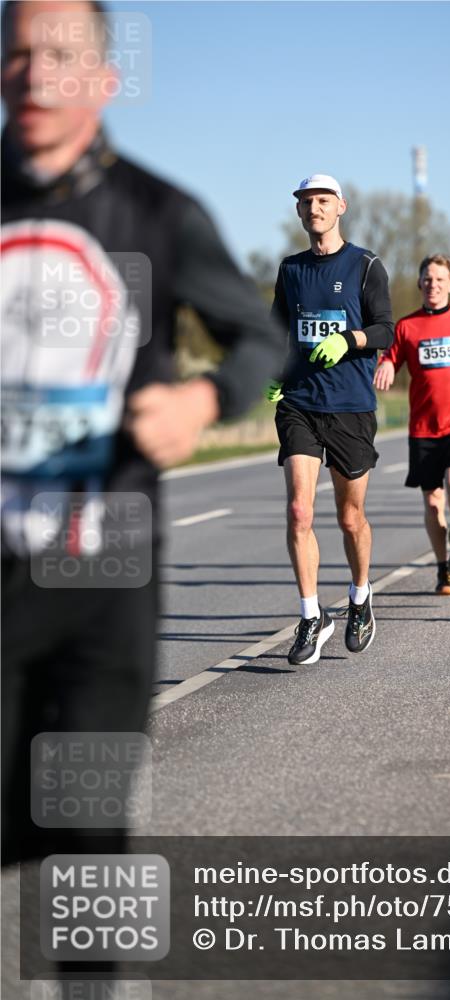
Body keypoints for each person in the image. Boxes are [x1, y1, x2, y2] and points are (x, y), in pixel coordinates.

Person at [1, 0, 285, 864]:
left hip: (103, 574)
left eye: (61, 54)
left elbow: (261, 337)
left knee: (86, 830)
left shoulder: (160, 213)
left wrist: (201, 403)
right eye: (17, 55)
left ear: (105, 78)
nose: (37, 75)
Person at [267, 174, 393, 664]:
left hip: (350, 406)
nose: (313, 209)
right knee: (300, 511)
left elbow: (386, 328)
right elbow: (279, 330)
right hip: (299, 402)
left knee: (349, 517)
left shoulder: (365, 265)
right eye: (305, 202)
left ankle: (361, 599)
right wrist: (271, 371)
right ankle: (310, 615)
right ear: (298, 212)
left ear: (340, 206)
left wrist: (349, 340)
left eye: (322, 201)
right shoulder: (290, 269)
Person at [374, 254, 450, 596]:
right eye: (427, 279)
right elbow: (391, 355)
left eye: (439, 279)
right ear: (420, 284)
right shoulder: (407, 326)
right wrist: (388, 364)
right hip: (423, 428)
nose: (433, 285)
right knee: (433, 504)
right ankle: (443, 570)